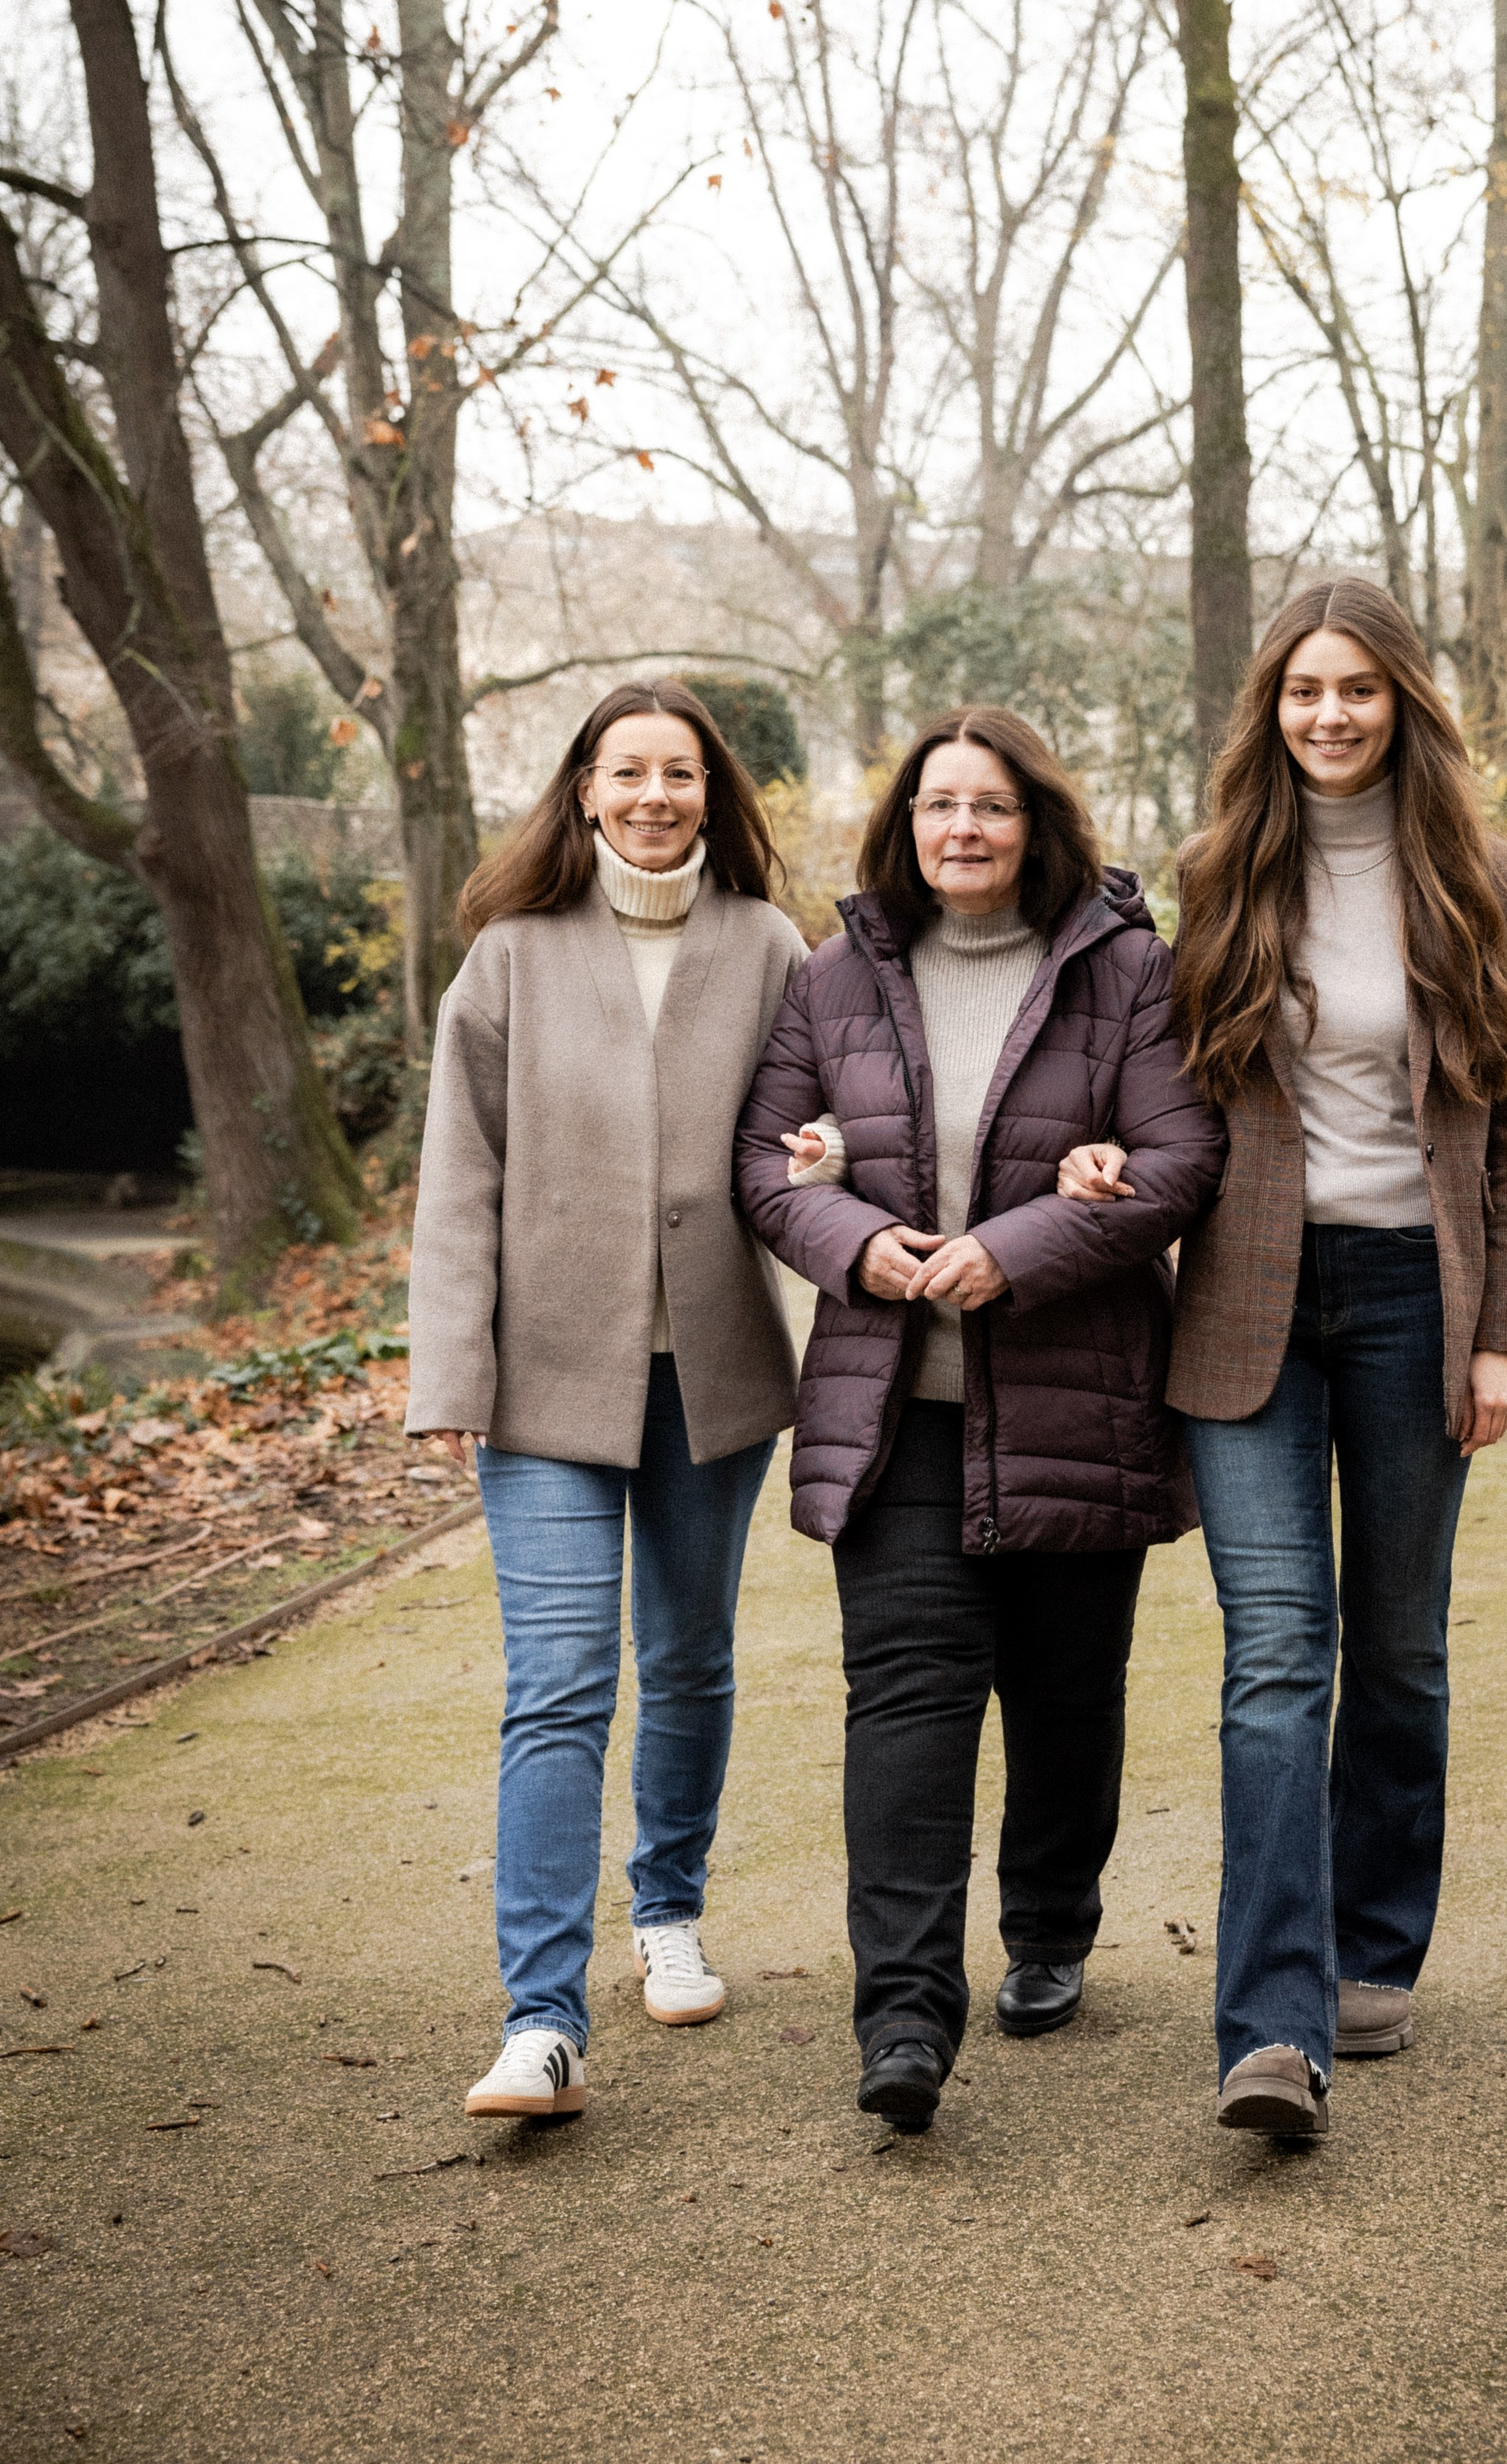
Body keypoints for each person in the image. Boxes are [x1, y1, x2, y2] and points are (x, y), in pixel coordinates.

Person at [1066, 578, 1507, 2141]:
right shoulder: (1217, 873)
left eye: (1356, 689)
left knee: (1396, 1650)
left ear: (1402, 702)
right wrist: (1102, 1158)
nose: (1329, 715)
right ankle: (1271, 2027)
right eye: (1303, 690)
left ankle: (1371, 1950)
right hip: (1249, 1303)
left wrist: (1504, 1337)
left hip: (1420, 1298)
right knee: (1277, 1657)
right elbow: (1159, 1083)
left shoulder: (1492, 883)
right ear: (1269, 709)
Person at [735, 708, 1225, 2134]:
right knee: (905, 1704)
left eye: (992, 806)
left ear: (1036, 823)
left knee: (1067, 1699)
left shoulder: (1126, 971)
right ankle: (902, 2015)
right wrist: (855, 1244)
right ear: (907, 825)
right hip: (895, 1413)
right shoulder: (834, 977)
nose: (964, 828)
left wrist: (1014, 1251)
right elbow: (766, 1161)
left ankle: (1051, 1927)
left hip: (1079, 1400)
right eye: (940, 804)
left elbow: (1181, 1155)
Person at [406, 678, 808, 2122]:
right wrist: (450, 1371)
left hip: (714, 1377)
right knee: (560, 1685)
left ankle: (670, 1910)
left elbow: (818, 1120)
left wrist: (823, 1158)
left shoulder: (767, 946)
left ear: (712, 793)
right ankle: (541, 2020)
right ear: (583, 789)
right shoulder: (511, 956)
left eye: (679, 774)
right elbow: (459, 1177)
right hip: (544, 1387)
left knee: (690, 1659)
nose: (653, 796)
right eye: (627, 772)